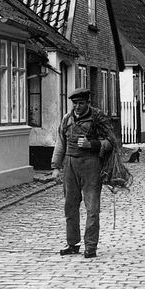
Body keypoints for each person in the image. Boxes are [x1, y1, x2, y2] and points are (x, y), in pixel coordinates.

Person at [51, 88, 116, 259]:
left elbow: (111, 142)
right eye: (75, 104)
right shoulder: (67, 118)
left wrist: (92, 145)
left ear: (88, 102)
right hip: (70, 164)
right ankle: (73, 244)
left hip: (91, 165)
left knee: (92, 207)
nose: (77, 107)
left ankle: (91, 246)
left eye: (81, 103)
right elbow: (60, 142)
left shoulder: (98, 117)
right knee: (70, 206)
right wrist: (56, 167)